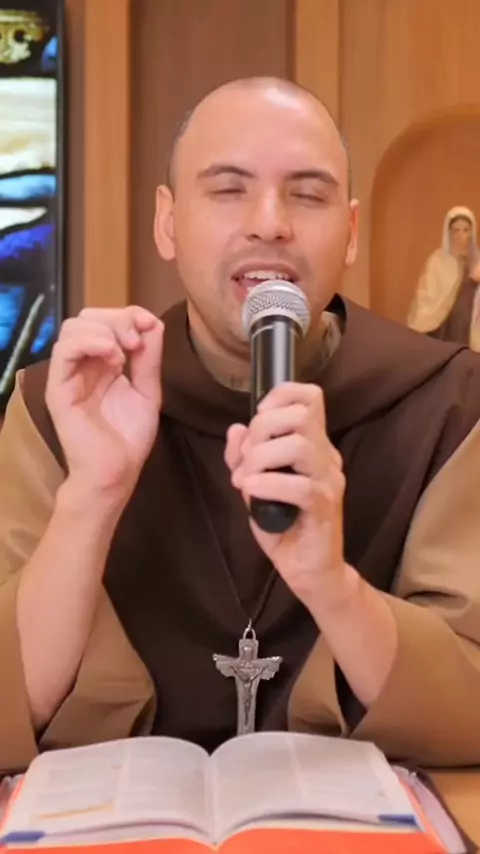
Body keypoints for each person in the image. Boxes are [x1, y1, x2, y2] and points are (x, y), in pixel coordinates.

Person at [1, 77, 480, 776]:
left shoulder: (448, 404)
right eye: (228, 190)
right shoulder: (62, 405)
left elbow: (468, 709)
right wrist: (91, 499)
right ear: (168, 223)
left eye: (308, 194)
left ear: (350, 233)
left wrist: (332, 586)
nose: (270, 223)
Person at [407, 206, 480, 348]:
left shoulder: (477, 260)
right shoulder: (437, 261)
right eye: (456, 230)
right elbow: (425, 299)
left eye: (466, 230)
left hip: (470, 331)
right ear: (449, 233)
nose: (461, 236)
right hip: (443, 329)